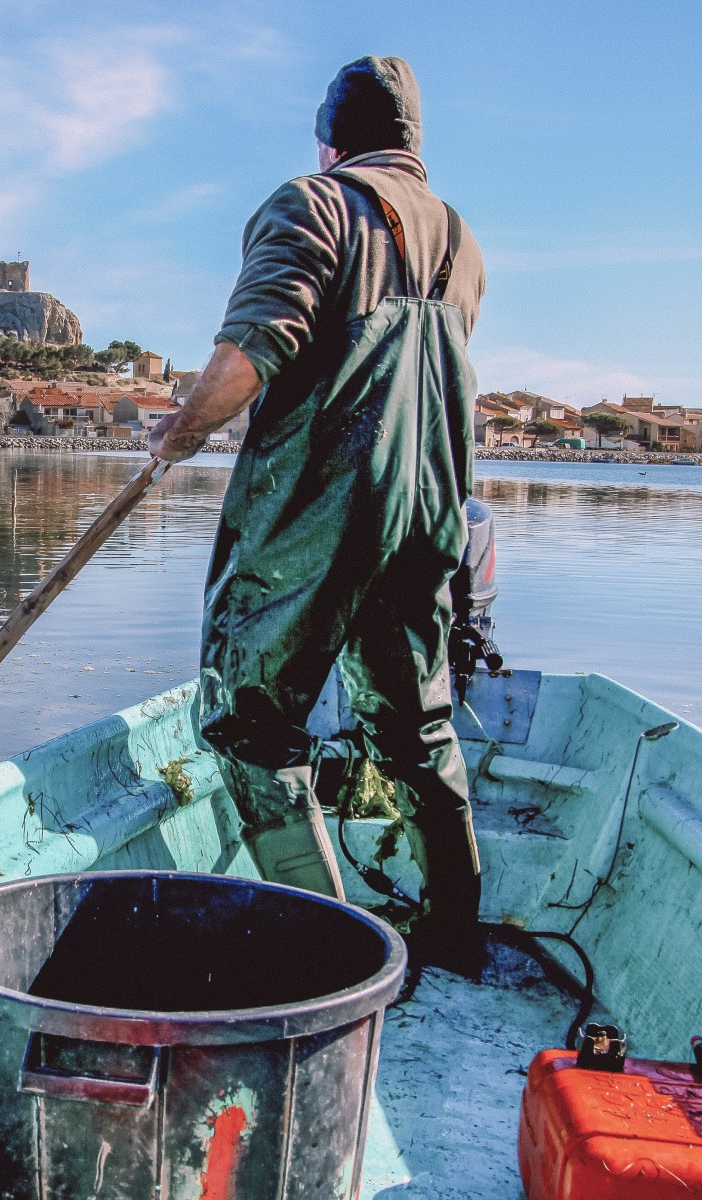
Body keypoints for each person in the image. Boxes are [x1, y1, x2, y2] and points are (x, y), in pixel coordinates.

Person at [148, 55, 485, 959]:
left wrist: (175, 437)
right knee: (415, 726)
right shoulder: (460, 240)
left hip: (315, 519)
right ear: (412, 142)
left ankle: (331, 952)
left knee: (248, 724)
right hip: (428, 516)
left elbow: (254, 349)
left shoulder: (316, 203)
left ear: (329, 139)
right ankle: (454, 932)